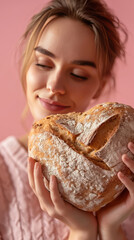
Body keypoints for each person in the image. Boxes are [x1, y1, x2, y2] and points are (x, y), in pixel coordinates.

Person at [0, 0, 134, 239]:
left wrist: (111, 227)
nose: (54, 86)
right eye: (43, 64)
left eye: (77, 74)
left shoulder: (126, 178)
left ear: (99, 86)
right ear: (26, 65)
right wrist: (82, 231)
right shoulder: (3, 176)